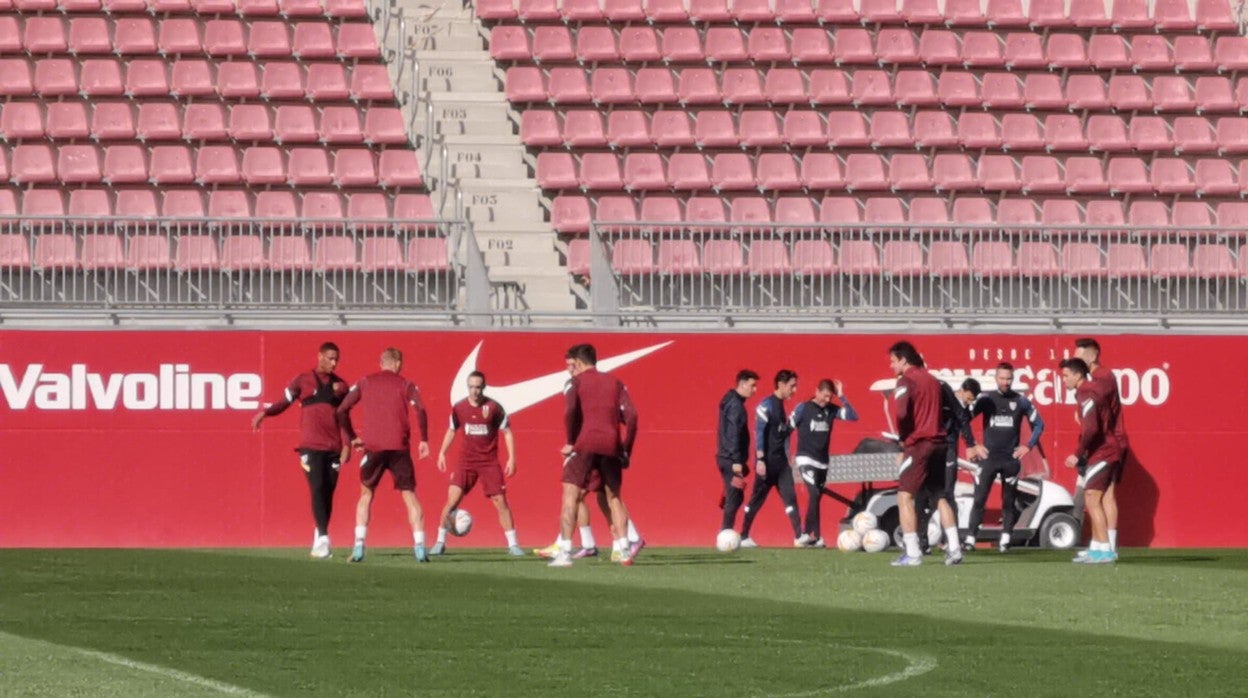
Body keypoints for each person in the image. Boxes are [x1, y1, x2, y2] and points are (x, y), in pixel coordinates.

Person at [251, 342, 351, 559]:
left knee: (327, 493)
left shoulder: (342, 386)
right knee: (316, 487)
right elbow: (283, 402)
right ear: (320, 357)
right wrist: (265, 413)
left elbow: (344, 418)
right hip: (311, 446)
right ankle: (324, 537)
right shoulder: (303, 380)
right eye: (331, 358)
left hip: (333, 447)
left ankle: (319, 534)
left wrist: (348, 444)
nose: (334, 363)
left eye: (337, 359)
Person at [335, 347, 431, 563]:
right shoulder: (405, 384)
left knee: (366, 495)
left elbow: (341, 410)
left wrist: (351, 437)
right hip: (399, 447)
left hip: (373, 447)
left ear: (381, 363)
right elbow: (421, 409)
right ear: (397, 363)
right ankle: (419, 546)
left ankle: (359, 545)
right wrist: (424, 439)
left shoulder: (365, 382)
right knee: (409, 495)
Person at [548, 344, 638, 568]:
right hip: (611, 444)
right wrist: (626, 448)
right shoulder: (615, 382)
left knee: (571, 495)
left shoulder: (575, 382)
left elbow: (569, 412)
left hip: (585, 443)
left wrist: (570, 441)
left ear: (578, 362)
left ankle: (565, 553)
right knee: (614, 497)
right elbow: (632, 416)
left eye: (572, 365)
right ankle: (624, 550)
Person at [432, 371, 524, 557]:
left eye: (478, 387)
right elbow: (451, 430)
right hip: (466, 462)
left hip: (488, 462)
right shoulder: (459, 408)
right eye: (471, 387)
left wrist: (512, 458)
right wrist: (442, 452)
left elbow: (507, 432)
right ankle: (439, 542)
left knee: (500, 501)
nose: (475, 391)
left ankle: (513, 545)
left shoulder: (494, 408)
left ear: (484, 387)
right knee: (452, 501)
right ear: (468, 387)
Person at [888, 341, 963, 567]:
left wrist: (903, 440)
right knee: (940, 497)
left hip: (919, 444)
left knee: (904, 496)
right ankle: (955, 549)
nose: (891, 366)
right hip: (941, 443)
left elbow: (901, 413)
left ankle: (912, 553)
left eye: (893, 361)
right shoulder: (933, 380)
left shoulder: (906, 380)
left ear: (903, 359)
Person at [963, 363, 1045, 553]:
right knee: (979, 499)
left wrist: (1028, 446)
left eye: (1009, 378)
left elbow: (1039, 424)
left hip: (1010, 460)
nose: (1005, 382)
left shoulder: (1021, 401)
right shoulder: (986, 399)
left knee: (1008, 501)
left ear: (1013, 379)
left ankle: (1005, 540)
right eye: (1002, 378)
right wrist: (973, 445)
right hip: (988, 458)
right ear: (995, 378)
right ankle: (970, 539)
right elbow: (964, 419)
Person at [1059, 358, 1121, 564]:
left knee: (1093, 500)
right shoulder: (1091, 390)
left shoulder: (1086, 392)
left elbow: (1091, 428)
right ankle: (1096, 548)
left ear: (1078, 375)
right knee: (1098, 499)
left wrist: (1078, 453)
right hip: (1107, 450)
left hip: (1102, 452)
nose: (1064, 379)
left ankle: (1106, 550)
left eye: (1066, 375)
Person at [1073, 338, 1129, 557]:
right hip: (1104, 443)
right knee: (1100, 495)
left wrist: (1086, 412)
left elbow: (1097, 401)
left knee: (1105, 495)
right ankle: (1100, 546)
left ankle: (1108, 547)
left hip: (1110, 442)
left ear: (1092, 356)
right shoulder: (1093, 380)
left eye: (1079, 357)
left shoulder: (1103, 377)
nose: (1075, 361)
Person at [790, 378, 858, 547]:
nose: (827, 400)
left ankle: (817, 538)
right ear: (817, 391)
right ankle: (804, 534)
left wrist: (842, 396)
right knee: (813, 494)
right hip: (806, 458)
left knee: (816, 498)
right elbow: (787, 427)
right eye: (825, 396)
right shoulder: (803, 408)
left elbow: (853, 416)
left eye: (830, 397)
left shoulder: (831, 410)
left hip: (823, 462)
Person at [740, 370, 804, 547]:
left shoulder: (781, 405)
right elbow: (759, 432)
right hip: (767, 464)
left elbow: (780, 433)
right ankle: (743, 536)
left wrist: (792, 423)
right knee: (756, 500)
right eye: (792, 386)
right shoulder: (766, 405)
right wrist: (760, 460)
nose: (794, 390)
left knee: (790, 498)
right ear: (781, 385)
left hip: (782, 464)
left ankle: (800, 537)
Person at [717, 370, 758, 535]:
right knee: (735, 496)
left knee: (736, 495)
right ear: (742, 384)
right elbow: (733, 433)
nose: (754, 389)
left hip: (727, 457)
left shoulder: (731, 401)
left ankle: (725, 526)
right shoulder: (736, 405)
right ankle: (725, 532)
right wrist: (736, 461)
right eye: (752, 385)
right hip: (730, 458)